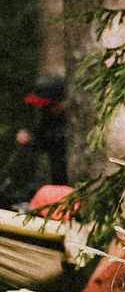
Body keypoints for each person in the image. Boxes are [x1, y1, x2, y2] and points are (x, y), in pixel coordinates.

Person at [16, 71, 68, 204]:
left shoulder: (72, 122)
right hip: (53, 179)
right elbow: (43, 143)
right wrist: (29, 141)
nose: (44, 110)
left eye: (48, 106)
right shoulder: (47, 118)